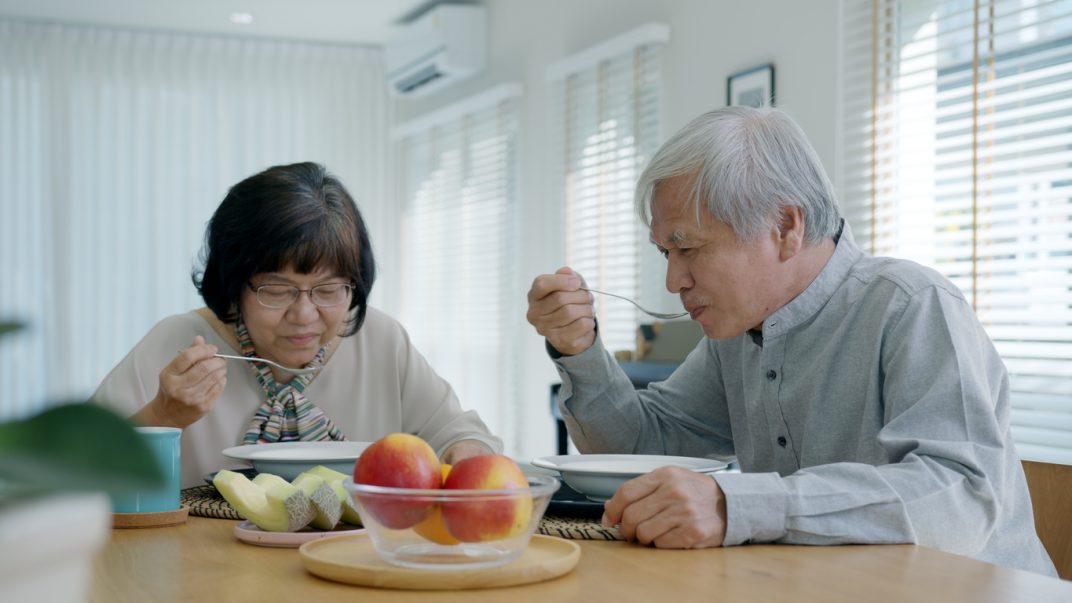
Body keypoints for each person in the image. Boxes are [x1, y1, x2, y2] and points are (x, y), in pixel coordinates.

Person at [526, 107, 1056, 576]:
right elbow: (640, 448)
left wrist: (739, 505)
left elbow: (962, 500)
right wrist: (580, 350)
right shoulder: (736, 334)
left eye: (687, 246)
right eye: (666, 252)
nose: (674, 281)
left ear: (785, 225)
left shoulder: (912, 304)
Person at [95, 162, 500, 488]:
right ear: (234, 285)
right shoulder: (178, 343)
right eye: (277, 289)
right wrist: (163, 416)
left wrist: (465, 453)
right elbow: (73, 473)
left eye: (328, 290)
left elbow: (459, 435)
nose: (304, 315)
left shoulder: (379, 340)